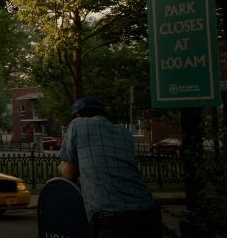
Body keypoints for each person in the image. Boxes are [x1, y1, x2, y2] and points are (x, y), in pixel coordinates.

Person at [58, 98, 162, 238]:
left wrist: (63, 167)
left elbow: (69, 172)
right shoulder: (124, 133)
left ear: (78, 115)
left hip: (113, 219)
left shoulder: (77, 124)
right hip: (148, 213)